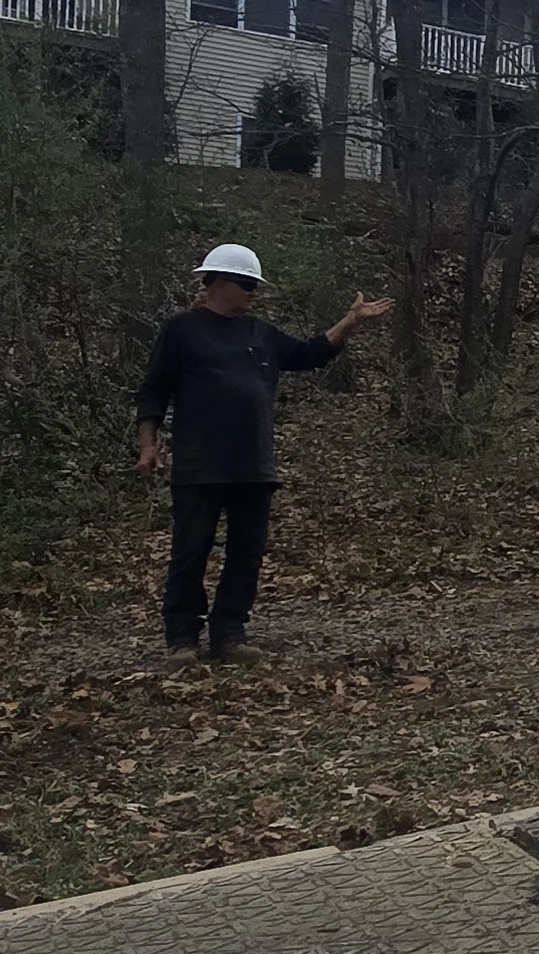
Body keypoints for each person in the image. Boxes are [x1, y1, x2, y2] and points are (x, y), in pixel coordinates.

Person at [133, 244, 394, 663]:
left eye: (255, 285)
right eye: (246, 284)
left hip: (253, 464)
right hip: (199, 464)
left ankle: (230, 634)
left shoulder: (261, 333)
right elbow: (153, 390)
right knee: (190, 552)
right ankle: (182, 637)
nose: (253, 292)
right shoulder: (181, 330)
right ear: (217, 282)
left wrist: (350, 322)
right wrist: (149, 444)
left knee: (246, 554)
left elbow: (308, 354)